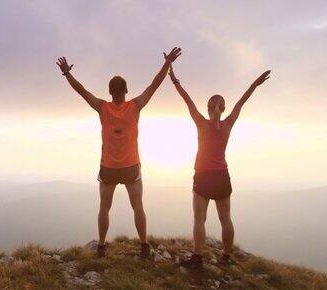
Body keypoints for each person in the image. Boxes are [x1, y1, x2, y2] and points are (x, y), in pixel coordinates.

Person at [56, 47, 182, 258]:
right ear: (126, 90)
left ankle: (102, 246)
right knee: (138, 207)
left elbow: (82, 91)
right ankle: (143, 246)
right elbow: (154, 85)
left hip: (108, 168)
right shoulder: (135, 106)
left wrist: (67, 73)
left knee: (104, 208)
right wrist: (167, 63)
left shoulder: (102, 107)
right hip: (131, 167)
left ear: (110, 92)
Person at [168, 65, 271, 268]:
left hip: (203, 176)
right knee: (226, 219)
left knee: (199, 219)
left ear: (208, 108)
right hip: (222, 176)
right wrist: (255, 84)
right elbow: (242, 100)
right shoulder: (228, 123)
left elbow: (186, 99)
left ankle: (197, 258)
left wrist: (174, 79)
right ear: (223, 109)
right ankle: (226, 257)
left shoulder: (201, 123)